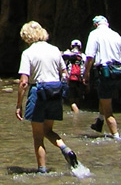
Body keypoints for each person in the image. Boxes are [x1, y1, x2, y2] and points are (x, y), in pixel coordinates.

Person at [15, 21, 79, 174]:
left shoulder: (28, 53)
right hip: (55, 91)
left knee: (38, 136)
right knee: (48, 130)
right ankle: (65, 148)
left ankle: (42, 171)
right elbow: (65, 74)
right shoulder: (55, 50)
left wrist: (19, 104)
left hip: (38, 91)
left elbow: (24, 82)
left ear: (27, 36)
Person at [83, 15, 121, 138]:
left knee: (108, 109)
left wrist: (86, 73)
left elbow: (90, 57)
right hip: (118, 73)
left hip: (104, 73)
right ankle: (99, 122)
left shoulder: (94, 34)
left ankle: (116, 137)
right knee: (104, 96)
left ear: (95, 25)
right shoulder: (116, 35)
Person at [62, 38, 86, 113]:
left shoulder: (67, 54)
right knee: (77, 98)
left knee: (71, 99)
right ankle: (76, 114)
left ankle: (76, 115)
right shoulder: (83, 56)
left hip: (70, 79)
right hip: (79, 80)